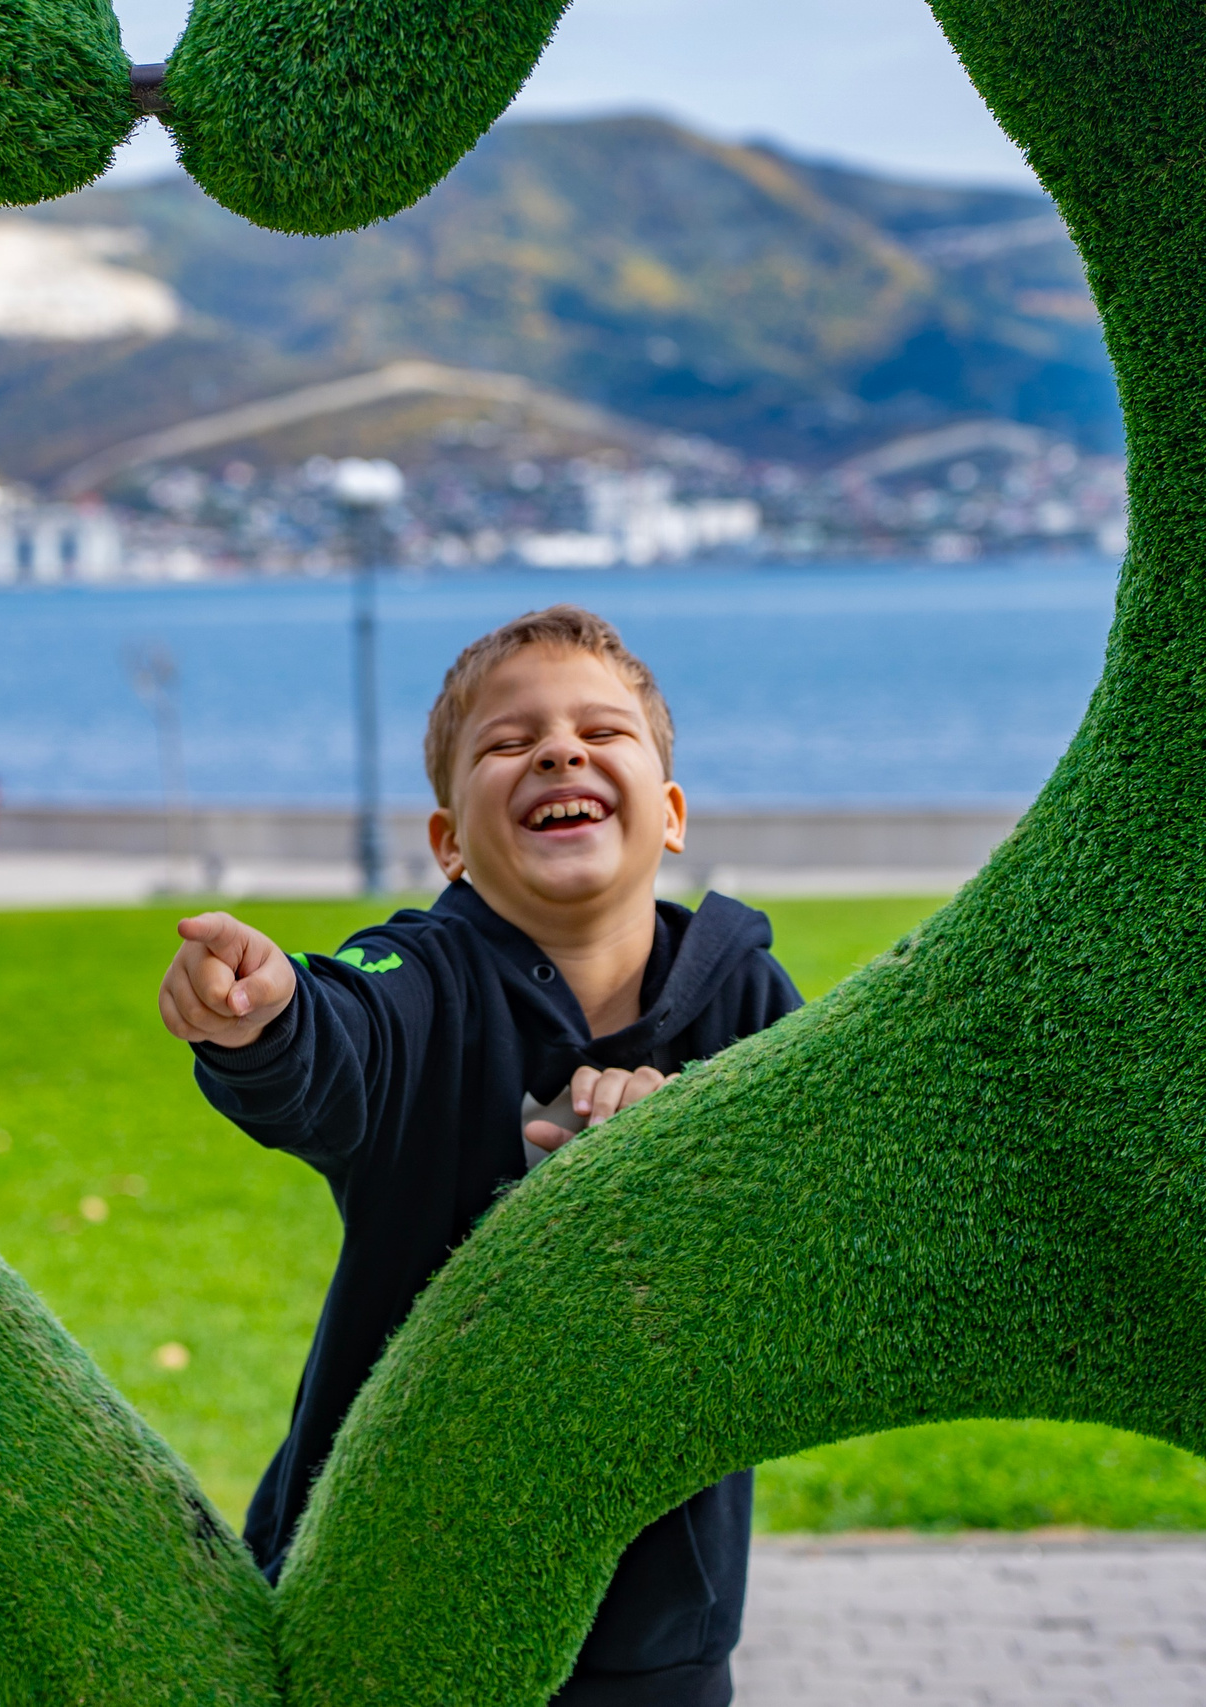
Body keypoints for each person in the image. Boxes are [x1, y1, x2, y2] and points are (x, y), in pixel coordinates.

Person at [158, 605, 800, 1707]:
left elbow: (803, 1233)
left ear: (672, 813)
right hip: (391, 1576)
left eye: (603, 732)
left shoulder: (745, 997)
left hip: (656, 1623)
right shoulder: (418, 978)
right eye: (510, 743)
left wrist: (684, 1146)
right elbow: (333, 1041)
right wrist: (262, 1022)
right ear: (450, 843)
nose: (560, 750)